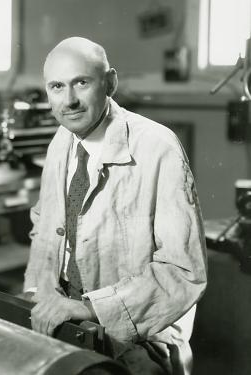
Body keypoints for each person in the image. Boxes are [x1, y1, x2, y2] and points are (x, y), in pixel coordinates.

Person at [22, 37, 207, 375]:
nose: (70, 100)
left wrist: (90, 309)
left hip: (141, 337)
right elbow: (45, 227)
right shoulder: (60, 142)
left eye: (82, 82)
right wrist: (37, 293)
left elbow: (183, 272)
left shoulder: (157, 147)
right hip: (67, 322)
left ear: (110, 83)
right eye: (57, 86)